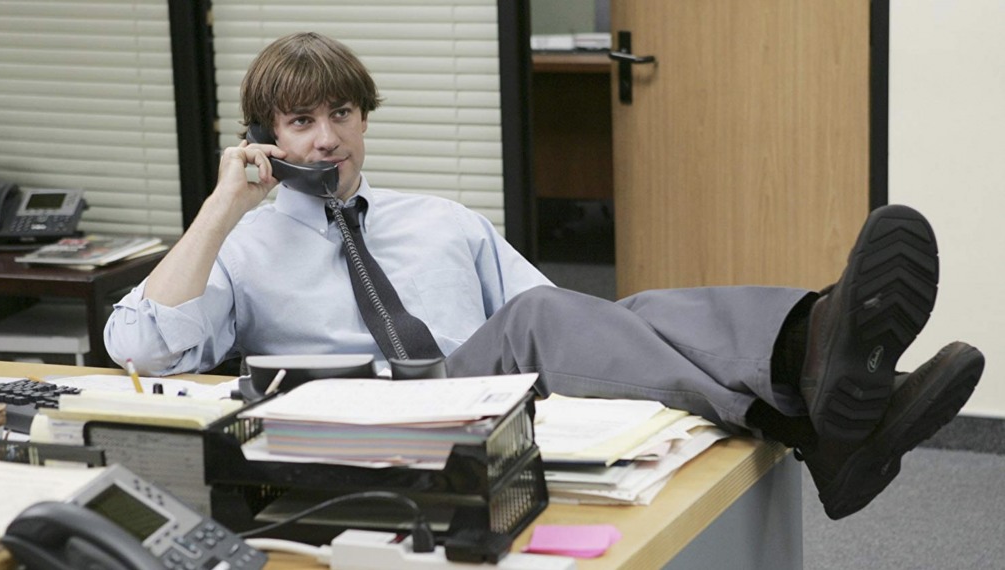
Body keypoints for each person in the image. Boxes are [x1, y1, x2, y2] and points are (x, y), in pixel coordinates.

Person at [104, 32, 985, 521]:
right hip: (359, 424)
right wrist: (221, 209)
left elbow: (576, 319)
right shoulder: (239, 249)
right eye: (300, 122)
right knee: (540, 320)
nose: (327, 138)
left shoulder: (442, 221)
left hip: (486, 406)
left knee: (609, 310)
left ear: (364, 118)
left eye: (341, 112)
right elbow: (138, 345)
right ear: (267, 138)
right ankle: (821, 378)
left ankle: (818, 380)